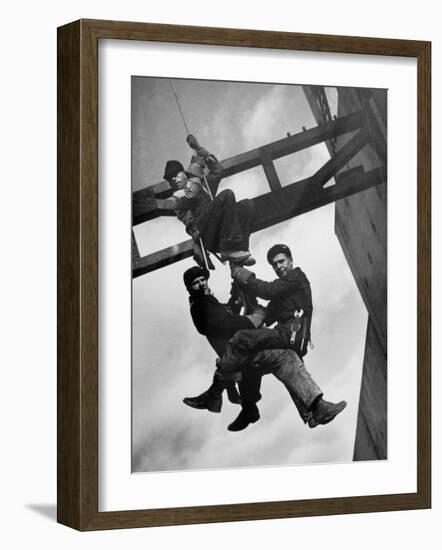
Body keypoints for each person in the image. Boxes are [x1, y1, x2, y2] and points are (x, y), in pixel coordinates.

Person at [183, 265, 344, 431]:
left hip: (241, 356)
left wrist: (236, 296)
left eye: (203, 279)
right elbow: (228, 323)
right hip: (239, 354)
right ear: (190, 289)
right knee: (285, 357)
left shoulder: (208, 302)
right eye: (196, 282)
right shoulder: (201, 304)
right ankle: (315, 409)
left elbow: (227, 315)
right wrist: (256, 317)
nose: (202, 284)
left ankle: (247, 408)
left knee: (271, 361)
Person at [214, 243, 347, 427]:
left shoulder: (296, 277)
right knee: (272, 361)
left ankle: (221, 380)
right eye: (275, 265)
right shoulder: (283, 292)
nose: (279, 267)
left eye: (281, 261)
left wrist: (241, 274)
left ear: (291, 261)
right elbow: (266, 317)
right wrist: (242, 294)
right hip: (288, 338)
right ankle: (314, 412)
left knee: (242, 338)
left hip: (290, 334)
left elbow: (267, 291)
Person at [163, 135, 255, 266]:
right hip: (204, 232)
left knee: (247, 205)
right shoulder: (176, 198)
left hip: (220, 230)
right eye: (170, 179)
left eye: (176, 175)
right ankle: (229, 248)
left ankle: (240, 250)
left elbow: (217, 171)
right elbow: (191, 194)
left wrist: (199, 149)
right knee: (227, 194)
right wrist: (195, 167)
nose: (174, 180)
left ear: (183, 173)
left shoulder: (202, 185)